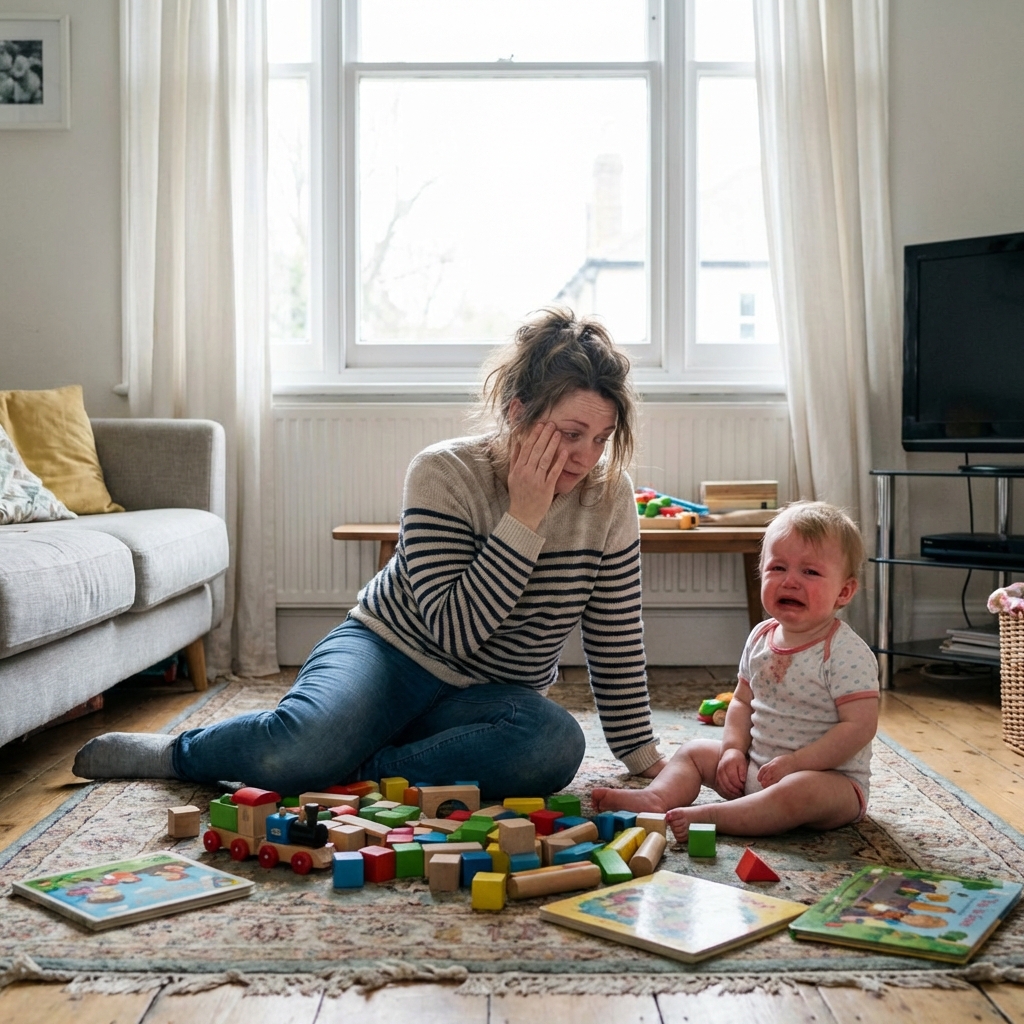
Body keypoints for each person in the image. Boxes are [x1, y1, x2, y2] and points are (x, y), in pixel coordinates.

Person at [74, 308, 666, 798]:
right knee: (296, 749)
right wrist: (524, 518)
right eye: (569, 434)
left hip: (492, 695)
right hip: (390, 654)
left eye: (601, 438)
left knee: (553, 745)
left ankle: (353, 769)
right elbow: (455, 633)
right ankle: (183, 754)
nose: (587, 457)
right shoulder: (443, 473)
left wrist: (642, 755)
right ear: (518, 414)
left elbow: (614, 632)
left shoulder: (608, 498)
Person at [592, 501, 878, 841]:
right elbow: (741, 703)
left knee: (798, 791)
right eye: (778, 568)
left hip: (828, 782)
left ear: (843, 592)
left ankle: (715, 816)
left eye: (810, 572)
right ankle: (658, 797)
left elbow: (859, 727)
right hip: (756, 768)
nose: (790, 582)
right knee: (695, 751)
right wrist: (731, 750)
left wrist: (798, 763)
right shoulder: (760, 637)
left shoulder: (845, 652)